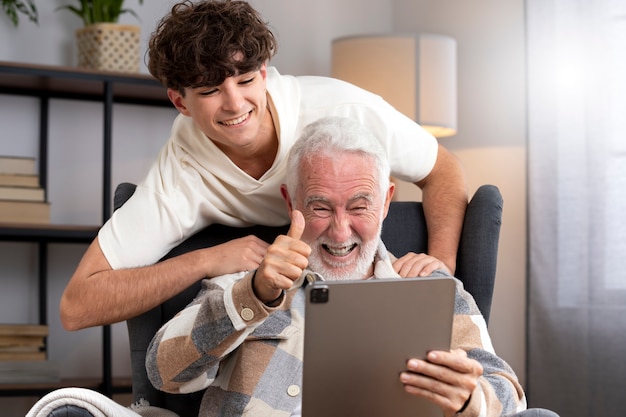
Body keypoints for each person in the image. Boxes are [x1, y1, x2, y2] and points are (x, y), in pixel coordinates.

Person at [60, 0, 468, 331]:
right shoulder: (181, 171)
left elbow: (442, 170)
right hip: (263, 311)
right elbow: (77, 306)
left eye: (244, 80)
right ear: (180, 102)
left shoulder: (343, 108)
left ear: (263, 74)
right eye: (210, 90)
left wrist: (441, 265)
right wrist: (206, 259)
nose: (235, 104)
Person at [145, 116, 526, 417]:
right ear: (289, 200)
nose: (340, 231)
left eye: (359, 207)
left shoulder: (430, 288)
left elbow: (510, 396)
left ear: (386, 201)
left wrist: (469, 400)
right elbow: (163, 372)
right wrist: (254, 294)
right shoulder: (246, 282)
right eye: (321, 207)